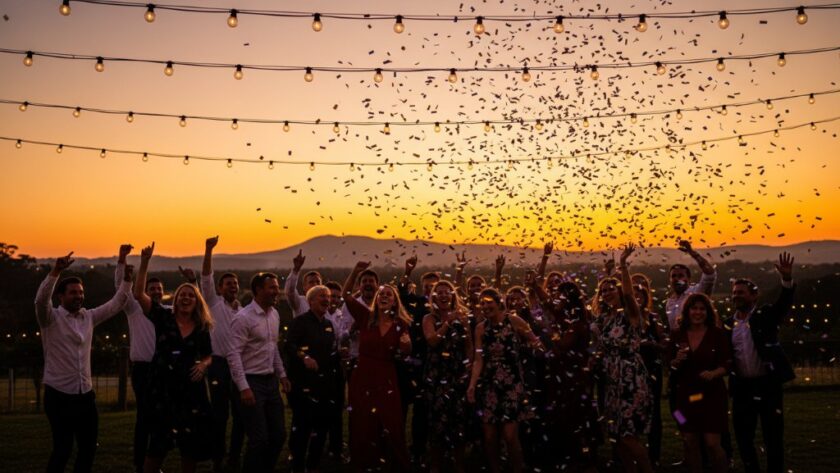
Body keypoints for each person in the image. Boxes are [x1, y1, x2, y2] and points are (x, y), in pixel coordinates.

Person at [34, 251, 132, 473]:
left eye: (81, 293)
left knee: (88, 449)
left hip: (85, 395)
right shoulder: (49, 319)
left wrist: (127, 280)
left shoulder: (88, 317)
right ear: (61, 296)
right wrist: (56, 271)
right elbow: (41, 299)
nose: (78, 296)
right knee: (63, 449)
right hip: (58, 395)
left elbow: (116, 304)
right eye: (73, 293)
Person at [135, 243, 214, 473]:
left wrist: (203, 364)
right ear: (176, 299)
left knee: (189, 449)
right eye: (182, 295)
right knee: (157, 447)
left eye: (191, 295)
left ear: (196, 301)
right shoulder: (163, 317)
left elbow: (209, 355)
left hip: (190, 393)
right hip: (162, 390)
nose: (187, 298)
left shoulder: (201, 327)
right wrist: (145, 262)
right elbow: (139, 294)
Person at [342, 261, 413, 472]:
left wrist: (407, 347)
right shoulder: (365, 317)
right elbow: (346, 295)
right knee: (363, 422)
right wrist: (355, 271)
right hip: (362, 375)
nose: (383, 296)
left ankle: (393, 462)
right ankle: (364, 463)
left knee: (391, 422)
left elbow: (404, 353)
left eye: (388, 295)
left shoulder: (402, 324)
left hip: (387, 376)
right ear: (376, 298)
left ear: (394, 301)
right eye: (381, 294)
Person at [729, 252, 796, 473]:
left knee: (773, 436)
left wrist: (786, 280)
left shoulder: (766, 316)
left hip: (768, 385)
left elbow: (784, 303)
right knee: (744, 437)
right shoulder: (729, 325)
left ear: (753, 296)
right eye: (734, 292)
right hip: (742, 388)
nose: (737, 296)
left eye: (741, 292)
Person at [591, 244, 654, 473]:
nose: (607, 293)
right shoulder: (603, 320)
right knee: (617, 437)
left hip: (631, 380)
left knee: (628, 436)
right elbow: (598, 345)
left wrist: (623, 266)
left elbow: (628, 294)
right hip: (611, 381)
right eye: (603, 290)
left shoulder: (631, 315)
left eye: (611, 289)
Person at [467, 288, 543, 473]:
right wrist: (472, 385)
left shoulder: (514, 321)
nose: (485, 307)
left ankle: (518, 468)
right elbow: (478, 358)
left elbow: (537, 342)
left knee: (510, 436)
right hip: (489, 386)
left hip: (512, 384)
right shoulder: (480, 328)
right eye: (482, 304)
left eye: (488, 302)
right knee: (490, 437)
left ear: (498, 302)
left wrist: (531, 347)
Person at [530, 278, 599, 472]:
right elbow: (547, 305)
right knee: (561, 416)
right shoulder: (564, 315)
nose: (554, 299)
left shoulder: (577, 322)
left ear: (568, 299)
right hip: (560, 375)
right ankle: (565, 455)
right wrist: (536, 286)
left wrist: (550, 331)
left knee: (574, 417)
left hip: (574, 377)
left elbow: (561, 345)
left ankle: (583, 459)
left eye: (559, 296)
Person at [227, 272, 292, 473]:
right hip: (250, 381)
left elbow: (273, 349)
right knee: (259, 439)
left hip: (270, 381)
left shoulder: (274, 315)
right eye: (272, 287)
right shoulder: (243, 318)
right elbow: (233, 354)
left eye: (276, 287)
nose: (277, 292)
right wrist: (244, 387)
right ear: (258, 290)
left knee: (279, 435)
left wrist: (282, 375)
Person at [196, 236, 245, 471]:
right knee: (219, 415)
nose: (232, 287)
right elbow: (206, 276)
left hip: (239, 367)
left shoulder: (244, 312)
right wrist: (208, 250)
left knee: (240, 414)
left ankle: (234, 456)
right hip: (217, 364)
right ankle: (218, 457)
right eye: (228, 284)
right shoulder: (213, 303)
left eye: (235, 284)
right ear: (219, 288)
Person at [669, 294, 732, 473]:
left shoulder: (717, 333)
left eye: (702, 309)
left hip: (712, 395)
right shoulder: (677, 334)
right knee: (690, 442)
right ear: (687, 311)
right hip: (684, 396)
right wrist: (676, 361)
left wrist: (714, 373)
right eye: (694, 308)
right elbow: (670, 366)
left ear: (708, 311)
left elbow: (727, 363)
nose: (698, 312)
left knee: (712, 444)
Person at [285, 285, 342, 473]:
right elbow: (289, 346)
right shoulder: (299, 322)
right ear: (310, 301)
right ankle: (297, 465)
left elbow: (329, 354)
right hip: (303, 385)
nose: (327, 299)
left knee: (322, 428)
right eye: (321, 296)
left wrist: (340, 354)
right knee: (302, 427)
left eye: (328, 296)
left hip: (324, 386)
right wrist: (304, 357)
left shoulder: (328, 324)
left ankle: (313, 465)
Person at [116, 244, 160, 473]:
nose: (155, 292)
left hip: (163, 370)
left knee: (160, 419)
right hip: (143, 370)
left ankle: (152, 463)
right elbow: (120, 290)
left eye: (158, 289)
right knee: (144, 417)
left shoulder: (167, 312)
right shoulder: (134, 309)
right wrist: (123, 259)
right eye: (151, 289)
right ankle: (140, 464)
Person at [422, 280, 473, 473]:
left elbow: (468, 344)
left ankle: (459, 465)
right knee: (437, 424)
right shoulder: (429, 318)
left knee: (459, 422)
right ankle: (436, 465)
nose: (443, 295)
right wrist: (447, 323)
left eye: (447, 292)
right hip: (436, 376)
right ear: (433, 297)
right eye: (439, 293)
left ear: (453, 296)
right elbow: (432, 341)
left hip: (457, 375)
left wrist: (469, 369)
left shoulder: (463, 317)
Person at [398, 256, 441, 463]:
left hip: (430, 367)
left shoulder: (442, 308)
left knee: (422, 413)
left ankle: (418, 449)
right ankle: (398, 450)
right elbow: (402, 294)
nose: (430, 290)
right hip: (409, 366)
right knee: (402, 408)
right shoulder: (416, 303)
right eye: (426, 286)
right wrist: (407, 272)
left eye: (433, 286)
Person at [631, 274, 668, 467]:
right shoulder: (624, 320)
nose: (637, 298)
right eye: (633, 295)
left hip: (651, 370)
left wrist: (649, 343)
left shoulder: (654, 318)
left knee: (654, 415)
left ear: (646, 298)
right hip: (629, 372)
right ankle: (629, 454)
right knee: (631, 413)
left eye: (640, 295)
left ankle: (654, 456)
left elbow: (664, 344)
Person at [665, 240, 717, 331]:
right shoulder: (670, 302)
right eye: (673, 276)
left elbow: (710, 274)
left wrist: (692, 253)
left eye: (681, 275)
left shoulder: (696, 292)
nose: (677, 279)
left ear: (689, 279)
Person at [284, 249, 323, 317]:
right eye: (311, 282)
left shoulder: (325, 304)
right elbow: (290, 291)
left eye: (318, 282)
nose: (315, 284)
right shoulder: (299, 302)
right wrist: (296, 270)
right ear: (304, 287)